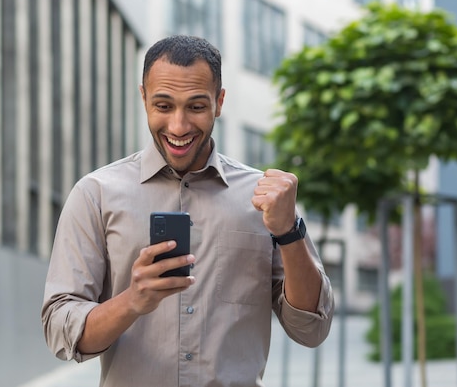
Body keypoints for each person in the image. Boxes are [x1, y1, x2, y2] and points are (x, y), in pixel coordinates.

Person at [41, 35, 334, 387]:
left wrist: (289, 231)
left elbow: (311, 328)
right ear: (144, 98)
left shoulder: (264, 199)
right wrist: (132, 301)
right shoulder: (95, 195)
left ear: (219, 102)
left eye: (196, 106)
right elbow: (61, 330)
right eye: (163, 106)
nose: (178, 127)